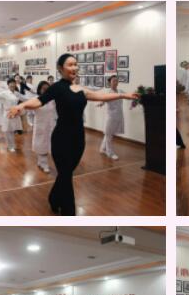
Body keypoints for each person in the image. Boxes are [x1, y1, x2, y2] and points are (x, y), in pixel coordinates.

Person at [7, 54, 137, 215]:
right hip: (61, 138)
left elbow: (101, 96)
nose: (74, 67)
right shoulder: (57, 88)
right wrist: (22, 106)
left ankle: (54, 197)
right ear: (60, 68)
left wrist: (123, 95)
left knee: (65, 174)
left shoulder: (81, 89)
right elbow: (39, 100)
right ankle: (68, 212)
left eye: (75, 64)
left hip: (78, 139)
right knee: (66, 175)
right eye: (70, 65)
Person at [97, 74, 124, 159]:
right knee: (109, 134)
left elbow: (128, 95)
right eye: (113, 81)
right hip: (110, 116)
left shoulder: (120, 91)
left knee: (109, 134)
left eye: (117, 80)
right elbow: (104, 99)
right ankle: (110, 153)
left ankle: (102, 148)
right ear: (109, 83)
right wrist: (101, 103)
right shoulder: (108, 92)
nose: (116, 82)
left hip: (118, 115)